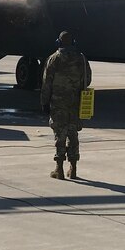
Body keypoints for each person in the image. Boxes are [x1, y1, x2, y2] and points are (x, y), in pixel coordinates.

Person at [40, 31, 92, 180]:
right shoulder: (81, 59)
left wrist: (44, 102)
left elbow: (46, 83)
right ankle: (73, 168)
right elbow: (87, 80)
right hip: (75, 103)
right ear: (73, 43)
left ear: (59, 42)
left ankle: (59, 169)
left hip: (58, 103)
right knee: (73, 134)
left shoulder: (54, 59)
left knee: (59, 135)